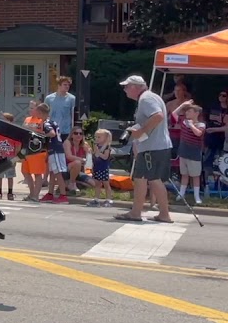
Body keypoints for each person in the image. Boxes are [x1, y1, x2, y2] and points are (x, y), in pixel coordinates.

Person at [116, 75, 174, 223]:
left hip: (153, 147)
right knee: (151, 179)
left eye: (127, 86)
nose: (124, 90)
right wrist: (139, 140)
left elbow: (158, 116)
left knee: (146, 179)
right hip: (156, 146)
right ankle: (161, 214)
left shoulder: (146, 99)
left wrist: (141, 131)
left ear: (135, 87)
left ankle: (139, 213)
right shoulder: (151, 97)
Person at [172, 101, 206, 205]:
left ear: (196, 113)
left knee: (195, 175)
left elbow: (198, 133)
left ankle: (196, 196)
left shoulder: (201, 124)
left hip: (194, 153)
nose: (187, 113)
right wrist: (182, 105)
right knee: (184, 174)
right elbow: (173, 114)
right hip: (183, 152)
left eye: (189, 111)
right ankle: (181, 193)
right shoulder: (183, 122)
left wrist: (191, 125)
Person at [37, 103, 69, 204]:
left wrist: (41, 134)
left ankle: (63, 195)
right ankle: (50, 194)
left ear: (41, 113)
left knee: (58, 173)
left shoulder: (46, 123)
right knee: (52, 172)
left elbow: (52, 134)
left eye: (38, 112)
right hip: (53, 150)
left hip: (55, 150)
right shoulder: (52, 121)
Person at [22, 105, 49, 201]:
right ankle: (31, 194)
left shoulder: (42, 121)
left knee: (37, 173)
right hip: (27, 149)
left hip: (37, 150)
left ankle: (36, 196)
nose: (30, 110)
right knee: (25, 171)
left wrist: (34, 131)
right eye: (29, 107)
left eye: (33, 108)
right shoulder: (27, 119)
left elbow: (47, 133)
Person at [0, 112, 18, 199]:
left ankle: (10, 193)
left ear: (10, 121)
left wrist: (16, 157)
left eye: (4, 120)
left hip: (10, 156)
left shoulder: (13, 133)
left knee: (10, 175)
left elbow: (16, 145)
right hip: (0, 156)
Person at [87, 129, 115, 207]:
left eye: (99, 137)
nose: (97, 139)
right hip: (97, 167)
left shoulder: (107, 148)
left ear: (105, 138)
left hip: (103, 167)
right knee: (97, 184)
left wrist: (99, 152)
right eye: (96, 137)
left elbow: (105, 157)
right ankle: (96, 199)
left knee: (106, 184)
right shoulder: (97, 146)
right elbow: (95, 156)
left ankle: (108, 199)